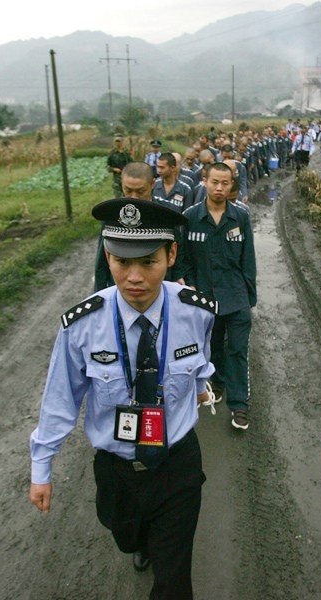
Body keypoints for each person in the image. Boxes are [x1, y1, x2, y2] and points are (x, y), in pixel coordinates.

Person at [29, 198, 216, 600]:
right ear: (107, 256)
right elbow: (60, 399)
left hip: (177, 461)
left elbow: (202, 360)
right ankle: (140, 542)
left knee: (174, 577)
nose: (134, 277)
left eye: (148, 262)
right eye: (121, 262)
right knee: (128, 537)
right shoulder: (82, 325)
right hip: (117, 468)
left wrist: (201, 387)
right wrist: (41, 466)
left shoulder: (197, 312)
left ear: (172, 254)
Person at [178, 162, 256, 430]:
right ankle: (218, 383)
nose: (220, 188)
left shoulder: (240, 216)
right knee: (214, 350)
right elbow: (183, 260)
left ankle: (239, 405)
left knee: (237, 350)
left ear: (232, 183)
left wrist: (249, 295)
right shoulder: (190, 216)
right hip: (205, 299)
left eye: (225, 183)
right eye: (215, 182)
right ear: (204, 181)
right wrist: (187, 284)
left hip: (236, 296)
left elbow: (249, 258)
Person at [94, 162, 155, 291]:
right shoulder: (112, 215)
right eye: (128, 190)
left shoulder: (163, 214)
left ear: (152, 184)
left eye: (140, 191)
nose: (133, 197)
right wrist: (98, 295)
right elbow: (102, 260)